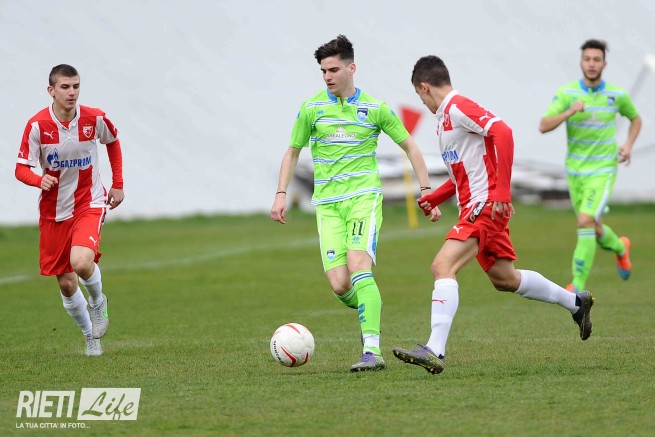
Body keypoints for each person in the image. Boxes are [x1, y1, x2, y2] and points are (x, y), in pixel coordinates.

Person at [392, 55, 594, 375]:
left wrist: (501, 192)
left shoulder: (458, 107)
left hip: (485, 205)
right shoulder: (443, 121)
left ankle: (435, 350)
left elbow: (503, 131)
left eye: (419, 95)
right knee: (505, 279)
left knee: (443, 265)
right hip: (478, 205)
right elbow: (464, 174)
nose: (422, 102)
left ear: (424, 87)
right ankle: (576, 303)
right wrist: (435, 197)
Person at [270, 35, 431, 372]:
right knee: (341, 285)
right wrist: (281, 193)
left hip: (363, 199)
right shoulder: (312, 108)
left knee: (360, 266)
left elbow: (410, 147)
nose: (327, 76)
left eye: (333, 70)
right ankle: (369, 308)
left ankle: (372, 350)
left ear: (351, 68)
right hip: (327, 206)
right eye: (323, 71)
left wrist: (425, 188)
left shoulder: (374, 108)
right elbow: (293, 152)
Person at [15, 64, 124, 357]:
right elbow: (20, 169)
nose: (72, 92)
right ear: (51, 91)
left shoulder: (94, 118)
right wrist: (38, 180)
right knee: (66, 283)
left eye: (76, 86)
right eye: (65, 87)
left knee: (81, 262)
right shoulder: (37, 126)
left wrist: (118, 184)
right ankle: (90, 336)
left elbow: (113, 142)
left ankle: (98, 302)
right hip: (54, 213)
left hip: (89, 203)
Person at [538, 39, 641, 293]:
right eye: (587, 59)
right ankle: (620, 247)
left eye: (597, 59)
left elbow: (635, 119)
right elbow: (543, 125)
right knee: (593, 227)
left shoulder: (616, 95)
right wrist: (569, 112)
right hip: (575, 172)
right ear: (581, 62)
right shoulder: (567, 93)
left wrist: (628, 145)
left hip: (603, 169)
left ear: (604, 64)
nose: (592, 64)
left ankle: (577, 284)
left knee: (585, 220)